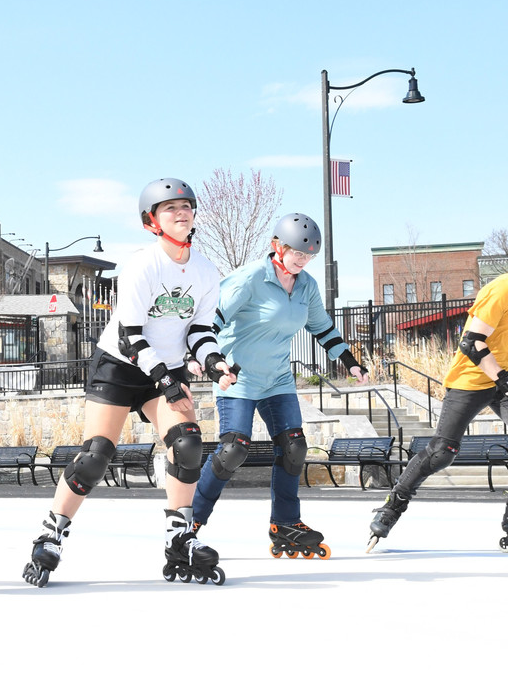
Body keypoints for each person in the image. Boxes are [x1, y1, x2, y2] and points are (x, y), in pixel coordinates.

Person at [21, 177, 238, 588]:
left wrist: (215, 363)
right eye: (169, 208)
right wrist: (167, 380)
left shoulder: (207, 271)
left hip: (165, 369)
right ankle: (52, 532)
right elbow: (130, 335)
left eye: (185, 206)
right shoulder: (142, 264)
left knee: (188, 443)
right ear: (150, 222)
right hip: (120, 365)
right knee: (96, 455)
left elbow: (200, 332)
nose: (180, 212)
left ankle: (180, 539)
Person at [190, 213, 369, 560]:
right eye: (297, 254)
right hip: (237, 377)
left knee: (294, 447)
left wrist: (350, 361)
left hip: (277, 379)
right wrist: (206, 359)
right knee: (233, 451)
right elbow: (211, 319)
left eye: (309, 256)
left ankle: (285, 522)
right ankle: (190, 522)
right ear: (277, 247)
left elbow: (322, 327)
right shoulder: (250, 278)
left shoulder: (307, 286)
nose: (302, 261)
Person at [368, 273, 508, 552]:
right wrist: (502, 378)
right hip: (472, 379)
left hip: (503, 381)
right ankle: (393, 504)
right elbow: (471, 342)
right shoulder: (501, 290)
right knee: (442, 451)